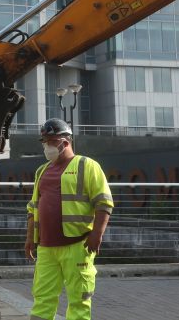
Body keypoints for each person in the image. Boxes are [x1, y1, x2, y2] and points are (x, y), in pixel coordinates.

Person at [25, 118, 113, 320]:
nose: (47, 145)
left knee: (79, 300)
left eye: (51, 140)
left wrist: (96, 236)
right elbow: (33, 208)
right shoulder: (42, 171)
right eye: (44, 141)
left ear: (65, 142)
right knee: (42, 298)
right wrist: (30, 238)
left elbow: (104, 202)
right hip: (46, 248)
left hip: (77, 245)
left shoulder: (87, 165)